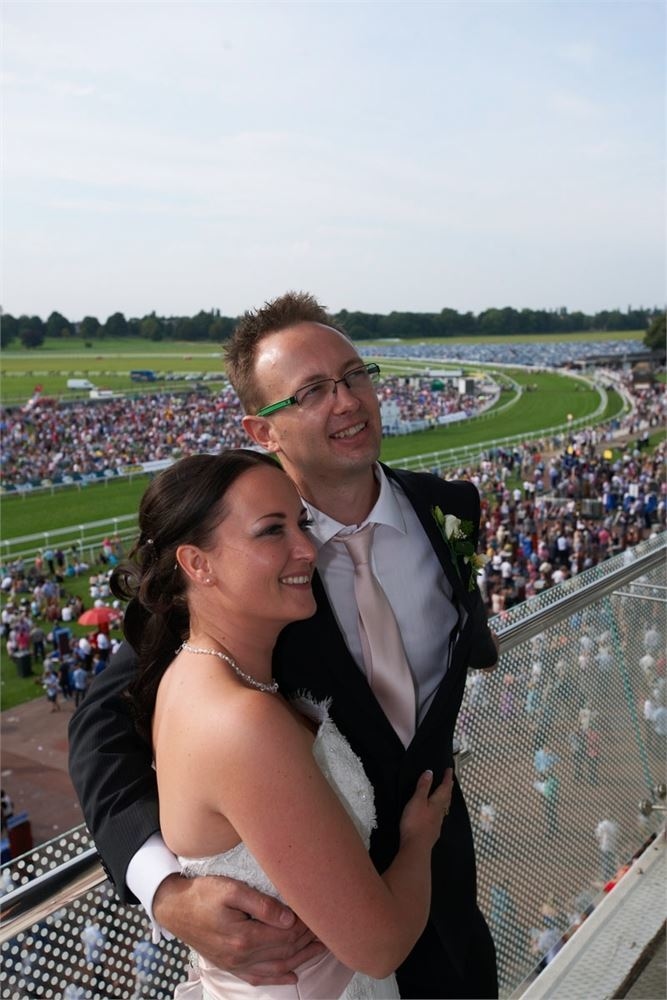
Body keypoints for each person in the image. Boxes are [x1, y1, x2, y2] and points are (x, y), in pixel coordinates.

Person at [69, 292, 499, 999]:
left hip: (446, 891)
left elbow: (455, 636)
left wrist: (474, 647)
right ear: (259, 430)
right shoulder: (238, 569)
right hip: (301, 941)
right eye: (309, 393)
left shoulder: (446, 509)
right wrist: (165, 889)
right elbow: (102, 724)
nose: (347, 402)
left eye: (355, 375)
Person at [111, 449, 452, 998]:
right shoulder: (242, 720)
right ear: (198, 564)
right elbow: (379, 946)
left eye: (302, 523)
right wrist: (418, 839)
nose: (307, 549)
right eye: (272, 531)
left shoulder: (195, 675)